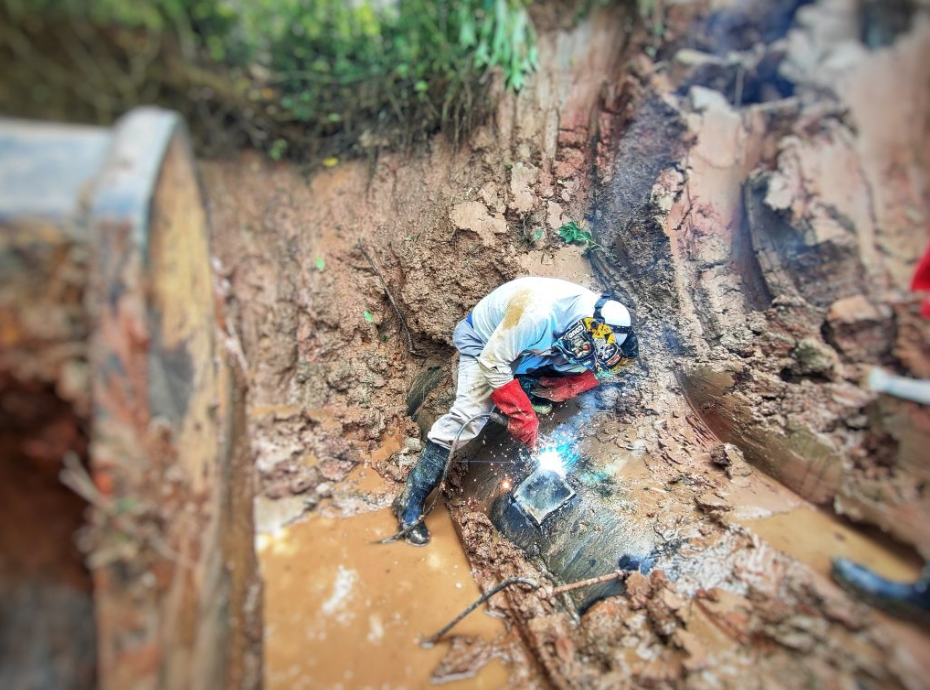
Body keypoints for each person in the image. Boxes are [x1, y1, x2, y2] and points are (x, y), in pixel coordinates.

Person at [392, 277, 639, 546]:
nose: (588, 358)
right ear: (587, 328)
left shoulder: (592, 325)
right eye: (587, 351)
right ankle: (409, 502)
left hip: (531, 352)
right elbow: (493, 361)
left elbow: (606, 367)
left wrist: (571, 384)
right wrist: (522, 413)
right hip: (485, 348)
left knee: (570, 371)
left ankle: (524, 383)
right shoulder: (536, 313)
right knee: (470, 416)